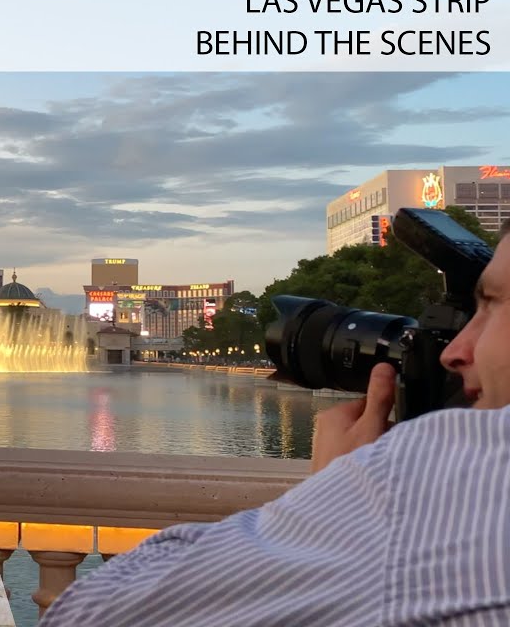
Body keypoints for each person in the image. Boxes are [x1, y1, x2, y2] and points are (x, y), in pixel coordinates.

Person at [41, 219, 510, 627]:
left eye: (490, 303)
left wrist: (340, 493)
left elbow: (89, 613)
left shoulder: (429, 485)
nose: (453, 352)